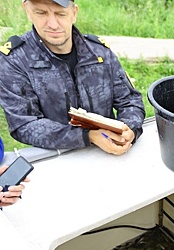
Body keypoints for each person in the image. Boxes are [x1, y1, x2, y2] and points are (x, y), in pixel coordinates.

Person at [0, 0, 145, 156]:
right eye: (41, 13)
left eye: (60, 14)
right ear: (27, 11)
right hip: (54, 159)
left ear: (74, 13)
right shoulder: (14, 60)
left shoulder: (98, 52)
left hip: (109, 156)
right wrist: (88, 136)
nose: (53, 24)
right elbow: (24, 124)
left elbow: (130, 100)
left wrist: (129, 129)